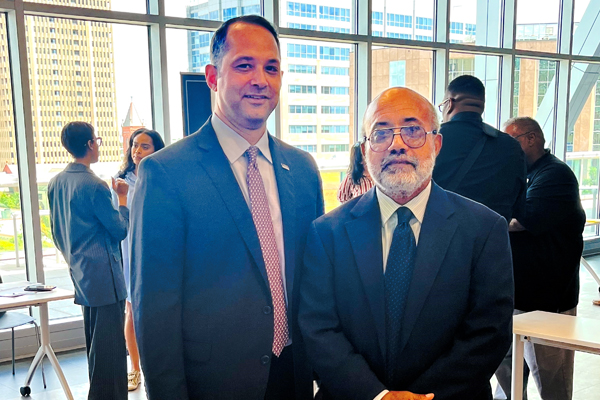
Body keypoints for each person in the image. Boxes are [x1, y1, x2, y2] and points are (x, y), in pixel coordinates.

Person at [129, 15, 324, 400]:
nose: (260, 79)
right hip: (213, 384)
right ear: (213, 77)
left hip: (296, 376)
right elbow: (155, 311)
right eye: (244, 65)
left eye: (271, 68)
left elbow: (316, 283)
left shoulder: (302, 169)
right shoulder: (166, 174)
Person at [298, 87, 514, 400]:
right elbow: (318, 328)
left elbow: (488, 333)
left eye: (412, 130)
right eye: (381, 133)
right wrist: (378, 396)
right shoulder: (327, 232)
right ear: (364, 150)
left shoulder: (483, 229)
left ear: (436, 143)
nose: (397, 145)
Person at [493, 117, 586, 400]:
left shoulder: (555, 175)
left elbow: (521, 219)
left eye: (511, 140)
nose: (506, 148)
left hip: (548, 303)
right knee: (508, 379)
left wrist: (486, 217)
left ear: (531, 138)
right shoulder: (518, 175)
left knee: (551, 381)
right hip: (515, 297)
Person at [48, 121, 129, 400]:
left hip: (80, 271)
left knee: (96, 344)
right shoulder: (94, 185)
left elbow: (56, 231)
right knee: (111, 350)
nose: (98, 145)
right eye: (97, 140)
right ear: (90, 144)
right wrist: (122, 200)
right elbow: (119, 230)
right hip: (105, 276)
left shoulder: (56, 182)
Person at [111, 128, 165, 391]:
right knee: (131, 309)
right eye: (135, 145)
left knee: (159, 309)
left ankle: (160, 366)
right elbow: (117, 221)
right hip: (130, 252)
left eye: (145, 146)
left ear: (157, 150)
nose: (137, 151)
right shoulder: (122, 182)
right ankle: (135, 369)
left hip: (159, 251)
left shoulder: (164, 179)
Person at [433, 75, 526, 222]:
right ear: (482, 105)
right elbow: (519, 207)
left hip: (442, 236)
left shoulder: (433, 141)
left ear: (449, 104)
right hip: (494, 238)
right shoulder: (512, 147)